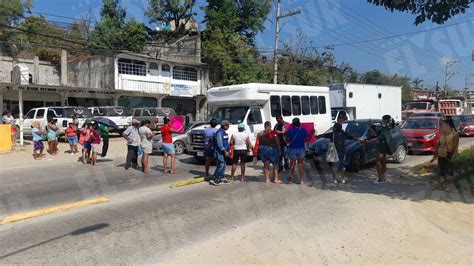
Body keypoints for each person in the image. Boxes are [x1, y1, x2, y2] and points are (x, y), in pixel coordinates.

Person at [430, 118, 459, 190]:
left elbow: (455, 146)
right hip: (441, 154)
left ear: (448, 125)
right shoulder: (441, 133)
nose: (441, 126)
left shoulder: (455, 134)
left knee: (449, 172)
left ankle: (450, 187)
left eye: (443, 124)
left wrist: (454, 155)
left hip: (449, 155)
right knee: (441, 172)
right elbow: (438, 144)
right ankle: (441, 186)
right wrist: (435, 155)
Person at [286, 118, 314, 185]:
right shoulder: (303, 130)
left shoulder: (290, 131)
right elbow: (307, 139)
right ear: (299, 123)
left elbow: (287, 140)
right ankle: (301, 180)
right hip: (301, 149)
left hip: (292, 149)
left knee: (292, 164)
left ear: (293, 124)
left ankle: (290, 180)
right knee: (300, 164)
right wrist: (311, 134)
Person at [371, 115, 396, 184]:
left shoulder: (385, 128)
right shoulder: (388, 127)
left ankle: (380, 178)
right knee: (383, 162)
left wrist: (369, 141)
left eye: (383, 119)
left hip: (381, 147)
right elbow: (377, 133)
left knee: (378, 162)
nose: (382, 120)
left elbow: (379, 137)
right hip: (384, 146)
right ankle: (383, 177)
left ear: (385, 120)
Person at [210, 120, 231, 186]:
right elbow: (220, 144)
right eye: (227, 125)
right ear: (224, 125)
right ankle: (214, 178)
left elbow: (226, 143)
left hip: (225, 152)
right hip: (220, 152)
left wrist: (228, 151)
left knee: (224, 165)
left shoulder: (224, 132)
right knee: (221, 165)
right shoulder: (219, 133)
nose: (228, 126)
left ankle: (221, 177)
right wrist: (225, 151)